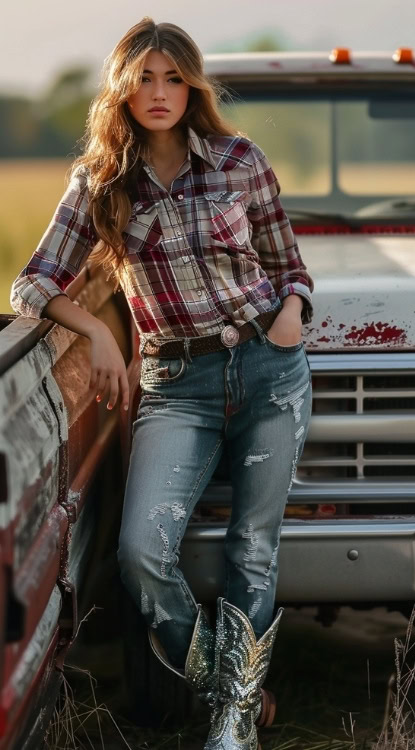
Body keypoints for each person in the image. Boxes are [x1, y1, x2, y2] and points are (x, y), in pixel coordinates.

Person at [10, 17, 314, 750]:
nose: (158, 92)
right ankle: (228, 689)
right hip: (177, 384)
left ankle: (232, 724)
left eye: (173, 77)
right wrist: (99, 332)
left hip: (270, 370)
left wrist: (293, 316)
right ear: (121, 86)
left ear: (193, 86)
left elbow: (289, 265)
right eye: (144, 77)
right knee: (141, 553)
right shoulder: (101, 182)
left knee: (253, 546)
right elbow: (32, 285)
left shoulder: (239, 159)